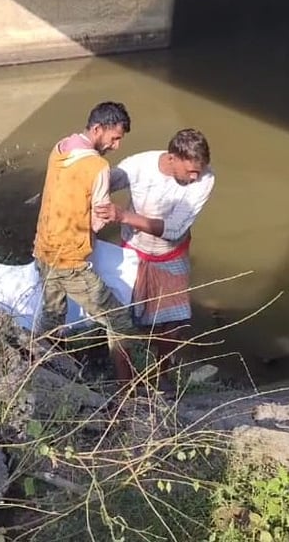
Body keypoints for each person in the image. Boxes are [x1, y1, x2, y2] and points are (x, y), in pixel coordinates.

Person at [98, 128, 215, 392]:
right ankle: (124, 382)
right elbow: (102, 183)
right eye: (190, 171)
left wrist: (124, 216)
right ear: (172, 158)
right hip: (133, 252)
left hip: (169, 255)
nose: (195, 176)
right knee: (120, 319)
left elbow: (173, 229)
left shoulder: (205, 178)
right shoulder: (138, 166)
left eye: (199, 170)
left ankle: (160, 374)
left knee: (172, 323)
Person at [32, 101, 135, 383]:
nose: (116, 146)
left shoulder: (60, 148)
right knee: (120, 321)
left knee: (53, 315)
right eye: (114, 138)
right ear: (98, 129)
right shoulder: (98, 166)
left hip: (43, 250)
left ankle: (42, 374)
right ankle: (128, 391)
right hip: (71, 261)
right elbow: (98, 220)